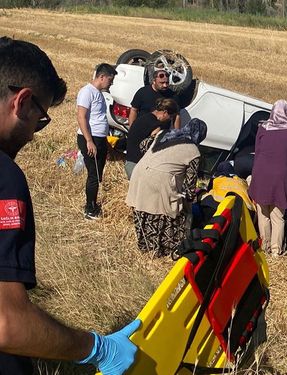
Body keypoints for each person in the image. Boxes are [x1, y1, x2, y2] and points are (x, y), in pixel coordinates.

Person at [0, 36, 139, 375]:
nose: (34, 133)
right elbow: (7, 323)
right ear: (21, 102)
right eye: (40, 118)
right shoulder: (5, 178)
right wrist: (96, 348)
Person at [126, 118, 207, 257]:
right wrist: (188, 204)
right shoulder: (193, 151)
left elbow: (143, 145)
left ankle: (145, 244)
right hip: (161, 181)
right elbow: (190, 185)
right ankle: (163, 249)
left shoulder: (164, 134)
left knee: (145, 207)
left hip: (139, 173)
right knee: (171, 212)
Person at [249, 100, 287, 256]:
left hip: (260, 173)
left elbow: (257, 153)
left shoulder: (262, 129)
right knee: (278, 215)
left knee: (263, 214)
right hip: (279, 175)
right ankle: (276, 251)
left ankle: (265, 248)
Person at [76, 63, 117, 220]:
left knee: (98, 174)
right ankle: (89, 209)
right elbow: (81, 117)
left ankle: (92, 202)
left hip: (99, 138)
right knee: (93, 174)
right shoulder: (87, 92)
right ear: (102, 77)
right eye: (110, 80)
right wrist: (89, 140)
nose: (111, 84)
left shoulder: (99, 93)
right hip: (90, 138)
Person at [124, 98, 179, 179]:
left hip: (129, 163)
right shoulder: (156, 127)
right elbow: (153, 149)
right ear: (165, 112)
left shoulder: (143, 118)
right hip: (139, 167)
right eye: (171, 117)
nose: (170, 120)